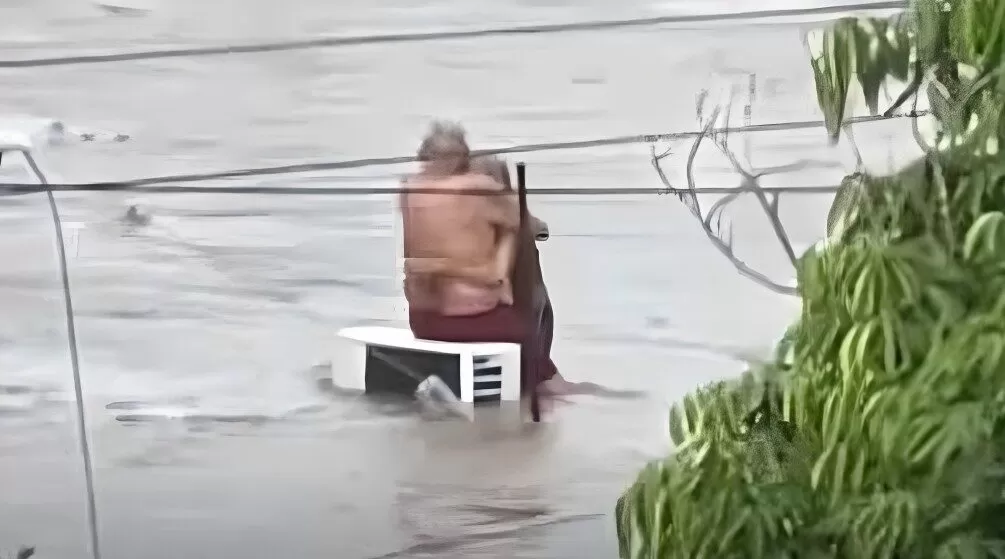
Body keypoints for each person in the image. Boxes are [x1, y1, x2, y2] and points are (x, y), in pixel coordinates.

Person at [399, 121, 567, 406]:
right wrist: (508, 210)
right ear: (462, 157)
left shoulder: (408, 191)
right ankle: (540, 383)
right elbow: (537, 228)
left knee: (507, 241)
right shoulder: (479, 189)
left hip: (425, 323)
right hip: (480, 323)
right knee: (518, 246)